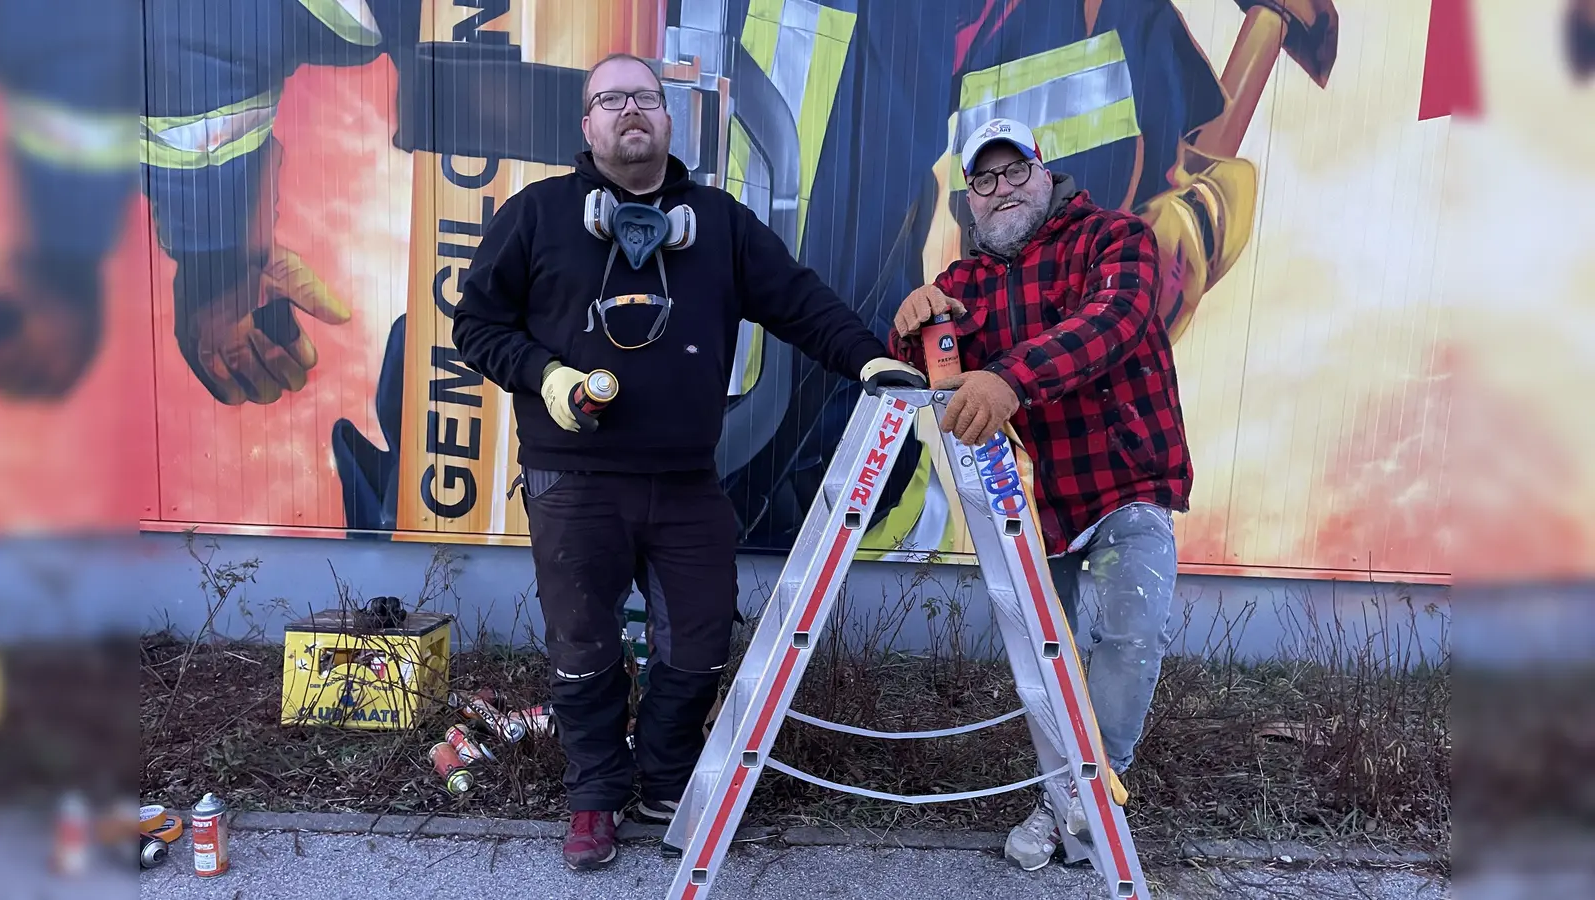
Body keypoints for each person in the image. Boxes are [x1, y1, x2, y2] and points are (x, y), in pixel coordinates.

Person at [450, 52, 926, 872]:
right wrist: (547, 376)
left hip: (686, 481)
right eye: (611, 99)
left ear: (670, 120)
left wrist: (868, 361)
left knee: (700, 641)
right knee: (582, 644)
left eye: (645, 96)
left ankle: (665, 776)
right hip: (573, 479)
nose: (630, 110)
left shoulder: (722, 224)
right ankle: (596, 793)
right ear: (587, 124)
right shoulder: (535, 215)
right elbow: (477, 327)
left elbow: (802, 302)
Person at [887, 117, 1192, 871]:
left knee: (1131, 635)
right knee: (1054, 664)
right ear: (970, 197)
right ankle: (1068, 803)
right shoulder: (965, 284)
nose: (1002, 189)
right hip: (1044, 502)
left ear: (1043, 169)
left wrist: (1010, 379)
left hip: (1129, 483)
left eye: (1014, 169)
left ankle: (1086, 800)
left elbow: (1113, 319)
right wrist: (912, 326)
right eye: (984, 179)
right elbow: (934, 372)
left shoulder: (1115, 238)